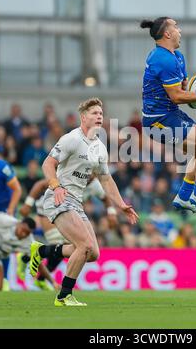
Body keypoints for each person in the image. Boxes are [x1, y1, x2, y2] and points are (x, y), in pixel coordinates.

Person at [29, 98, 138, 307]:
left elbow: (106, 179)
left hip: (75, 202)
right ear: (83, 117)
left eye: (101, 113)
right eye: (94, 113)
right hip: (58, 198)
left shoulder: (99, 147)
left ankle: (42, 251)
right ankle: (64, 296)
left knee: (93, 253)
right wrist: (56, 185)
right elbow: (48, 164)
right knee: (84, 245)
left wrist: (120, 204)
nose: (99, 116)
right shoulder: (71, 139)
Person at [140, 17, 196, 214]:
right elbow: (177, 96)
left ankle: (184, 195)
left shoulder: (177, 57)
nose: (180, 30)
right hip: (157, 122)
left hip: (170, 114)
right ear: (167, 33)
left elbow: (182, 88)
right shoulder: (162, 59)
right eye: (176, 27)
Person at [19, 175, 119, 290]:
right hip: (47, 207)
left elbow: (105, 198)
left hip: (67, 211)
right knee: (62, 242)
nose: (89, 176)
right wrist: (28, 204)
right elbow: (40, 185)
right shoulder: (71, 175)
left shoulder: (94, 185)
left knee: (67, 247)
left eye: (92, 174)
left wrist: (111, 213)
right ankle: (32, 261)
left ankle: (30, 260)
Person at [0, 210, 58, 290]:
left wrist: (53, 282)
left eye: (27, 233)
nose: (24, 234)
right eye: (23, 230)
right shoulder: (7, 220)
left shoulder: (28, 242)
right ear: (19, 223)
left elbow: (39, 265)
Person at [0, 153, 22, 290]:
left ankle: (4, 281)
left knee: (4, 246)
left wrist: (10, 210)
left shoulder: (1, 167)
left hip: (3, 211)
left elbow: (17, 189)